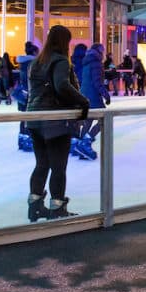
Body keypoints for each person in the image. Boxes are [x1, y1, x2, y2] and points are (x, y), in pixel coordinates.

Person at [25, 25, 90, 221]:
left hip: (34, 119)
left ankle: (35, 206)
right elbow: (61, 85)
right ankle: (57, 207)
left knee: (42, 164)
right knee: (58, 166)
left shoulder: (37, 62)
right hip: (54, 120)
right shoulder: (60, 60)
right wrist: (82, 101)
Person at [75, 42, 109, 160]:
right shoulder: (96, 63)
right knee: (104, 119)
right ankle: (85, 142)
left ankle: (81, 146)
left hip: (85, 95)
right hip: (93, 97)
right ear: (99, 51)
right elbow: (97, 82)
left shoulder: (86, 62)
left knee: (88, 120)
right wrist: (106, 95)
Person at [14, 41, 40, 152]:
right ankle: (27, 140)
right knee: (30, 118)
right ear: (34, 52)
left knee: (25, 117)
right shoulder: (32, 64)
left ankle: (22, 139)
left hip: (24, 93)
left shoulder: (23, 63)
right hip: (29, 94)